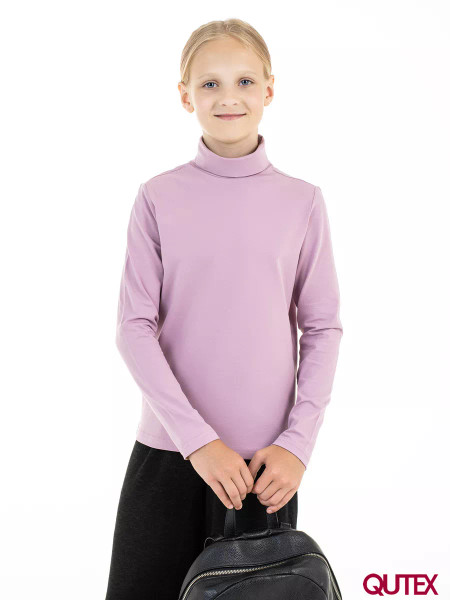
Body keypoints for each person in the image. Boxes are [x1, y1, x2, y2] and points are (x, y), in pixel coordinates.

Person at [105, 18, 343, 600]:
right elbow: (134, 327)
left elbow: (322, 327)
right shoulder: (158, 197)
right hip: (169, 452)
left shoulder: (302, 202)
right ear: (185, 95)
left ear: (269, 90)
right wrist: (198, 442)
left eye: (244, 80)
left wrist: (298, 444)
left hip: (266, 469)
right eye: (209, 83)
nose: (228, 96)